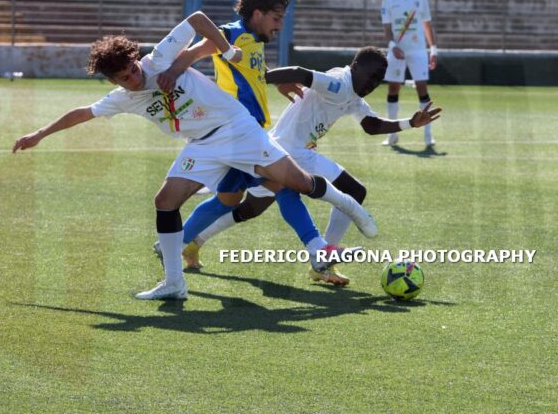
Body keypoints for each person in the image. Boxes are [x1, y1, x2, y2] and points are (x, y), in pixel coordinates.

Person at [12, 12, 377, 300]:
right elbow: (83, 112)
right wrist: (40, 134)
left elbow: (198, 19)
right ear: (115, 82)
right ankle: (174, 283)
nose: (135, 78)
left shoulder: (160, 59)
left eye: (134, 68)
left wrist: (218, 54)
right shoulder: (122, 98)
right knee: (165, 200)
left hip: (237, 129)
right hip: (202, 145)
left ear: (137, 58)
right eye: (125, 77)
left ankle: (351, 207)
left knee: (294, 182)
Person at [176, 47, 442, 285]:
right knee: (354, 192)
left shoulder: (353, 94)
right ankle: (324, 259)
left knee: (251, 208)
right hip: (291, 152)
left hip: (282, 150)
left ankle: (194, 243)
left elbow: (371, 125)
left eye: (377, 81)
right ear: (355, 66)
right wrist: (260, 80)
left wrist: (410, 123)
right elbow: (300, 72)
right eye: (370, 76)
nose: (372, 84)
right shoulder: (339, 83)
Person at [380, 0, 438, 147]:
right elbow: (387, 28)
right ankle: (393, 134)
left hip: (418, 51)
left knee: (422, 89)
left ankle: (428, 134)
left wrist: (433, 49)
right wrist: (392, 45)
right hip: (396, 52)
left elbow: (427, 25)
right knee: (393, 88)